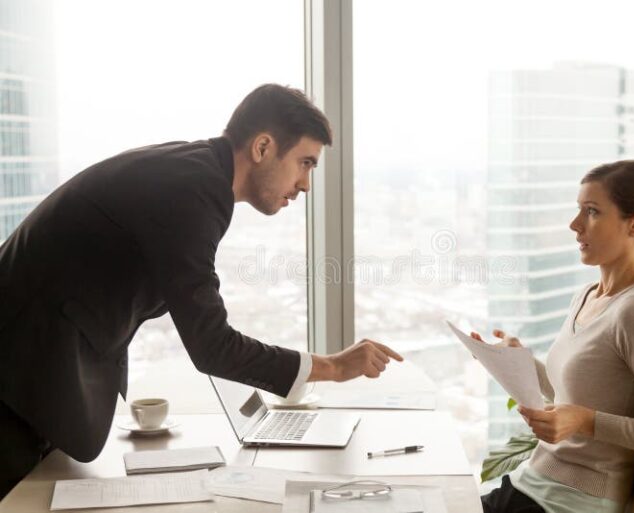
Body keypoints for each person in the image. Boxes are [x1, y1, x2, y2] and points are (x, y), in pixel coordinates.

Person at [0, 84, 402, 499]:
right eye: (304, 163)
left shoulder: (196, 174)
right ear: (263, 147)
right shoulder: (193, 190)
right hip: (18, 367)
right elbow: (212, 345)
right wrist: (331, 368)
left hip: (34, 363)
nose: (305, 185)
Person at [476, 160, 634, 513]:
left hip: (567, 504)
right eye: (578, 210)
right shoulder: (587, 295)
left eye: (591, 212)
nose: (574, 225)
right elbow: (576, 395)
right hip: (530, 487)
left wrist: (586, 421)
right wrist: (519, 362)